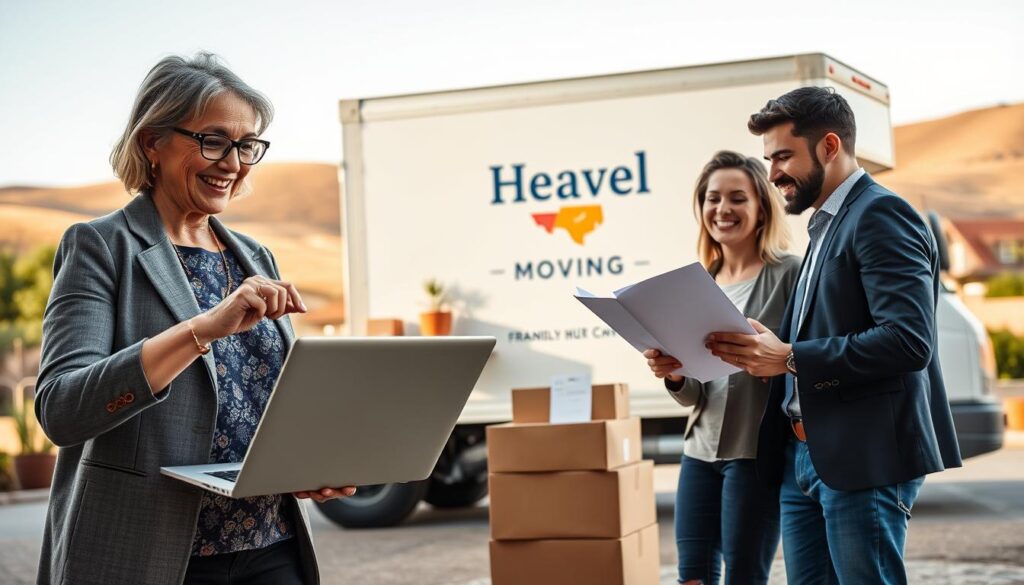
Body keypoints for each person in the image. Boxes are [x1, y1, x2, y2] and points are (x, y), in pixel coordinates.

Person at [34, 52, 354, 585]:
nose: (232, 162)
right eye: (213, 140)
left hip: (271, 546)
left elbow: (269, 405)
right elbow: (62, 410)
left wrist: (308, 462)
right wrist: (203, 328)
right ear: (151, 143)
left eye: (247, 144)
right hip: (150, 554)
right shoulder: (99, 247)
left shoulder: (257, 256)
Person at [707, 87, 962, 585]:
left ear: (829, 146)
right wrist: (765, 344)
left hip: (862, 459)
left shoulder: (880, 215)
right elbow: (834, 327)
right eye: (769, 158)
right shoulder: (825, 224)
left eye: (783, 156)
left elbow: (908, 341)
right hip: (806, 456)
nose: (773, 172)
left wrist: (790, 357)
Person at [644, 150, 800, 585]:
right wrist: (674, 374)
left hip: (754, 452)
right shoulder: (700, 281)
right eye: (713, 199)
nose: (722, 209)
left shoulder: (791, 273)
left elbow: (803, 357)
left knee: (744, 578)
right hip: (699, 450)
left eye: (737, 198)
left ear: (761, 207)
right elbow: (698, 389)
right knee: (692, 576)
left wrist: (776, 359)